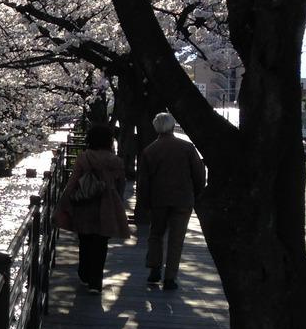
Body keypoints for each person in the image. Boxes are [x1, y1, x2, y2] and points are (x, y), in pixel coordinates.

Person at [57, 123, 130, 293]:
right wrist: (118, 200)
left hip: (85, 204)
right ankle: (96, 282)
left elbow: (73, 181)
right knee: (101, 243)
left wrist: (64, 201)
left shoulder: (84, 157)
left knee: (85, 240)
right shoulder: (115, 161)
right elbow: (121, 184)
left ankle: (84, 273)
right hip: (107, 204)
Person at [138, 112, 206, 291]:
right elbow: (199, 173)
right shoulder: (187, 148)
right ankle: (170, 277)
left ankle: (154, 268)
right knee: (176, 239)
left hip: (158, 199)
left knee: (156, 234)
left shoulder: (150, 150)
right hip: (183, 199)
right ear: (172, 125)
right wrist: (197, 193)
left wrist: (144, 202)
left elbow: (144, 181)